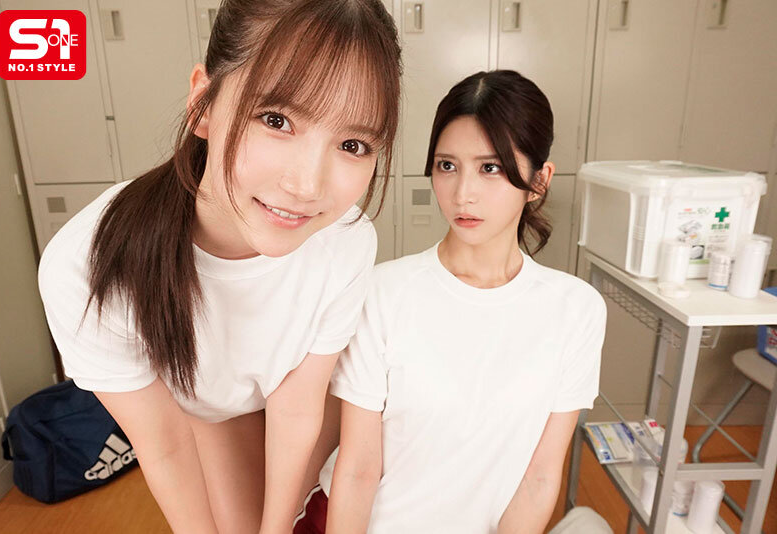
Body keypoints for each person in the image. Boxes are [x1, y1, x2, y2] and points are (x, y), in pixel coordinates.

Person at [36, 1, 401, 532]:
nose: (307, 186)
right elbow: (164, 445)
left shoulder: (345, 240)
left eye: (352, 144)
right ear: (203, 104)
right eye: (276, 120)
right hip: (201, 415)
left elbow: (298, 405)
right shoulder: (89, 266)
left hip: (303, 405)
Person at [294, 70, 607, 534]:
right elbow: (358, 469)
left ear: (539, 180)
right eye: (447, 165)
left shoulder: (576, 310)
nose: (463, 194)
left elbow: (540, 479)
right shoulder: (382, 293)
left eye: (490, 168)